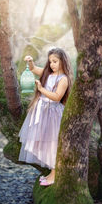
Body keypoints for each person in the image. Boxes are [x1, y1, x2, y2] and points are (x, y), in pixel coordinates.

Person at [18, 48, 73, 186]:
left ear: (63, 61)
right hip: (42, 112)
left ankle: (55, 174)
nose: (52, 64)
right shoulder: (48, 73)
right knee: (43, 143)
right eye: (50, 62)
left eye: (55, 61)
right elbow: (33, 69)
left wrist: (41, 89)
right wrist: (30, 62)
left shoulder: (63, 79)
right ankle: (51, 171)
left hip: (53, 114)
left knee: (52, 144)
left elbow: (56, 97)